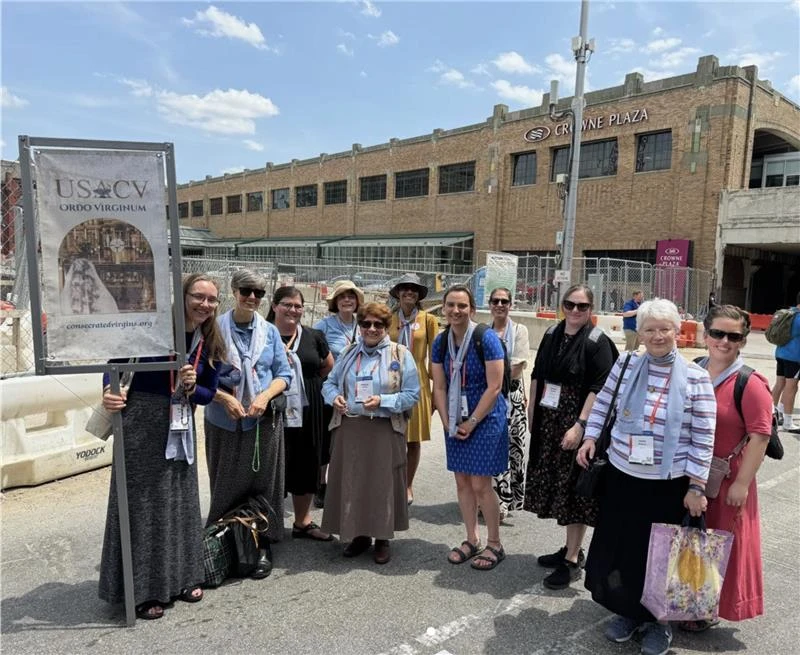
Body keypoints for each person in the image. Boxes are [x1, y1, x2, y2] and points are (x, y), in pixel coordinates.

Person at [577, 298, 716, 655]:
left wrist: (697, 485)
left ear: (677, 332)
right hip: (623, 477)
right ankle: (628, 612)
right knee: (624, 549)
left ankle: (659, 623)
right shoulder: (625, 365)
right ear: (640, 332)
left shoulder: (698, 378)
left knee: (662, 557)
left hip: (668, 484)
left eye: (664, 329)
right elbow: (604, 404)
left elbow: (703, 436)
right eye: (650, 329)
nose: (657, 336)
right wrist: (591, 436)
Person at [98, 273, 225, 620]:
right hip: (142, 421)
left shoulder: (210, 340)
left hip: (181, 422)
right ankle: (143, 589)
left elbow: (208, 394)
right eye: (198, 296)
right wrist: (110, 392)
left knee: (181, 502)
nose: (205, 305)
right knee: (143, 505)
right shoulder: (150, 328)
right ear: (182, 296)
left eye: (212, 300)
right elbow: (114, 367)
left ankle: (183, 576)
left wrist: (194, 386)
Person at [679, 305, 772, 632]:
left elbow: (761, 436)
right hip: (692, 474)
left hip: (727, 477)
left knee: (719, 543)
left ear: (743, 341)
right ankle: (689, 601)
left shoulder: (750, 382)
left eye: (734, 336)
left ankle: (706, 609)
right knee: (692, 539)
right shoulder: (694, 368)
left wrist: (742, 484)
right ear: (705, 336)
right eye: (718, 333)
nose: (724, 341)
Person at [523, 284, 618, 589]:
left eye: (582, 306)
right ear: (561, 305)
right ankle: (569, 548)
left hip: (576, 423)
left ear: (592, 310)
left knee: (575, 491)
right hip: (549, 421)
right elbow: (538, 374)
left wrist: (581, 426)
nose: (575, 311)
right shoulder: (552, 334)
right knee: (558, 489)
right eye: (570, 305)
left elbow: (600, 388)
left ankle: (572, 560)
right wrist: (531, 414)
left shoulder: (597, 341)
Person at [204, 269, 293, 580]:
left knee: (262, 484)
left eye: (258, 293)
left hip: (262, 420)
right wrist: (224, 399)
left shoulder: (269, 332)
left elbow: (284, 374)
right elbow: (196, 376)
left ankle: (260, 543)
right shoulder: (213, 328)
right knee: (225, 483)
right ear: (234, 290)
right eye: (246, 291)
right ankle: (223, 543)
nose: (252, 298)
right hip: (224, 420)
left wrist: (264, 397)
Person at [321, 302, 420, 564]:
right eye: (366, 324)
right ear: (360, 326)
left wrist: (383, 401)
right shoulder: (348, 353)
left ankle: (382, 538)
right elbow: (329, 384)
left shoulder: (400, 355)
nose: (371, 329)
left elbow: (412, 395)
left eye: (378, 324)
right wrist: (334, 398)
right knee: (353, 481)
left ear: (386, 327)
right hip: (350, 427)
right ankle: (359, 535)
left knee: (381, 484)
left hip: (384, 428)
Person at [431, 285, 508, 571]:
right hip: (455, 418)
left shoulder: (485, 338)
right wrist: (447, 421)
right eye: (450, 305)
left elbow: (495, 386)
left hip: (485, 418)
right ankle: (471, 538)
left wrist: (472, 421)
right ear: (443, 308)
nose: (456, 311)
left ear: (472, 310)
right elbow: (438, 385)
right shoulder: (440, 343)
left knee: (480, 484)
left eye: (462, 306)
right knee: (462, 482)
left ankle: (495, 543)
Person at [267, 286, 335, 542]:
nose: (293, 310)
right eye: (287, 304)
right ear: (274, 306)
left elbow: (328, 365)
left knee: (307, 461)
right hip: (273, 408)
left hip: (309, 408)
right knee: (274, 464)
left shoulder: (313, 335)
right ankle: (267, 525)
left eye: (298, 305)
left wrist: (306, 385)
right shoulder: (263, 334)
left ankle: (302, 521)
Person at [387, 273, 439, 506]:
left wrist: (437, 392)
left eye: (414, 289)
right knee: (390, 435)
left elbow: (435, 358)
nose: (409, 292)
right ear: (398, 292)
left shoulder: (428, 320)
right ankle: (389, 482)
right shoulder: (388, 318)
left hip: (417, 380)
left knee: (413, 438)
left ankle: (407, 484)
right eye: (405, 288)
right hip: (392, 379)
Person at [313, 279, 365, 508]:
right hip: (331, 390)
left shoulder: (364, 325)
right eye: (342, 296)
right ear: (335, 301)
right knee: (326, 439)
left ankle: (346, 483)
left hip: (357, 391)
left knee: (350, 439)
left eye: (351, 296)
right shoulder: (323, 326)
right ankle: (321, 484)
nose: (347, 300)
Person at [487, 286, 530, 520]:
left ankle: (508, 499)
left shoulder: (520, 330)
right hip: (490, 396)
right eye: (496, 301)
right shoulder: (485, 332)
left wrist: (491, 376)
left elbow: (516, 368)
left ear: (510, 304)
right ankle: (495, 500)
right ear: (490, 304)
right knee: (494, 448)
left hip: (510, 395)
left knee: (513, 448)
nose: (500, 305)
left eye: (504, 301)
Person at [771, 292, 800, 430]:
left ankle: (770, 413)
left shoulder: (789, 313)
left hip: (781, 353)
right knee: (792, 387)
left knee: (779, 384)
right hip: (795, 357)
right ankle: (788, 422)